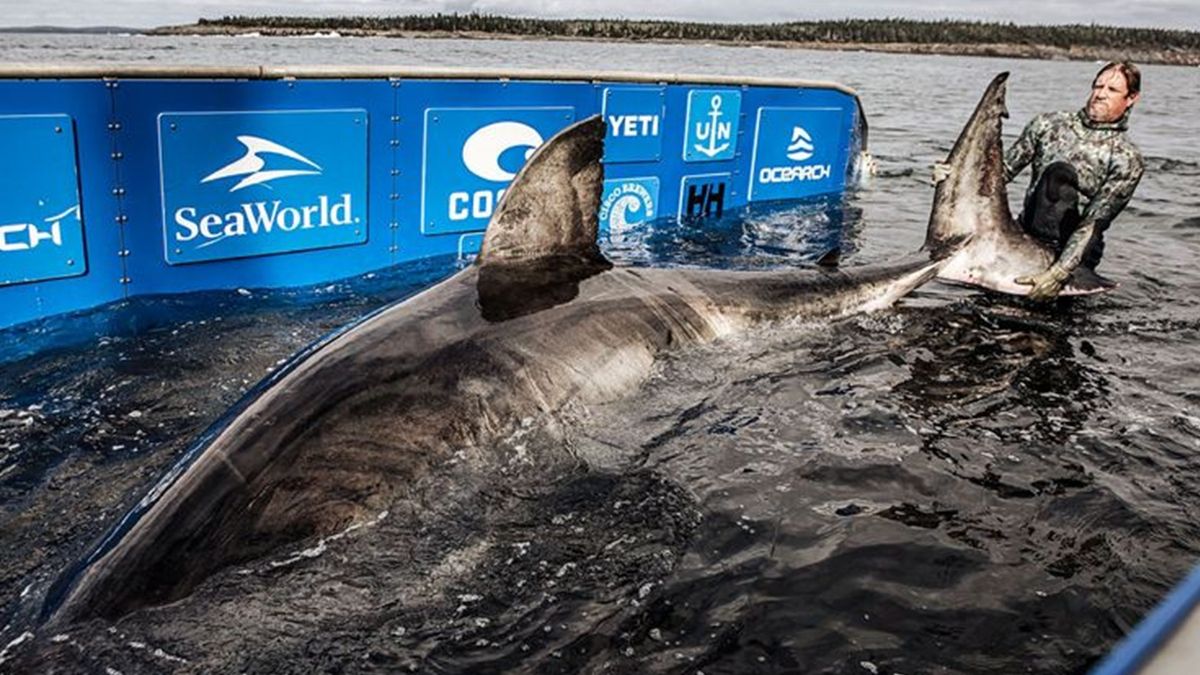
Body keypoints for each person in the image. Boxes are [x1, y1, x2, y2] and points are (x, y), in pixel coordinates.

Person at [936, 61, 1145, 301]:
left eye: (1112, 90)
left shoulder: (1127, 158)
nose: (1100, 94)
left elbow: (1094, 223)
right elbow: (1000, 176)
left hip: (1075, 255)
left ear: (1131, 98)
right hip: (1023, 237)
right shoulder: (1047, 125)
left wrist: (1059, 273)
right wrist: (953, 179)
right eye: (1098, 86)